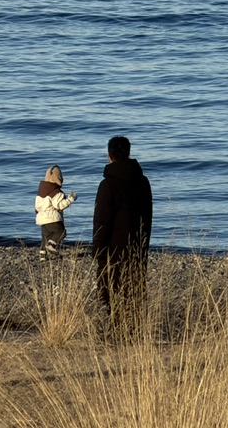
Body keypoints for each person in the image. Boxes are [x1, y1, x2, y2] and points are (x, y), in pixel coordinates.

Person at [90, 134, 153, 332]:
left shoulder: (107, 185)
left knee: (111, 290)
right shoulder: (143, 182)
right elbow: (148, 217)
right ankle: (131, 331)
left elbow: (102, 222)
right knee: (134, 290)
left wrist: (97, 251)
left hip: (113, 248)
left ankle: (118, 332)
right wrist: (144, 246)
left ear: (109, 156)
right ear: (128, 153)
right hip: (137, 245)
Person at [33, 164, 76, 256]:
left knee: (46, 236)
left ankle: (42, 254)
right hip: (53, 218)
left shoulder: (40, 193)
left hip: (41, 219)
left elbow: (37, 207)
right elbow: (59, 205)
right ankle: (51, 245)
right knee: (61, 233)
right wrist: (70, 199)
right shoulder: (56, 192)